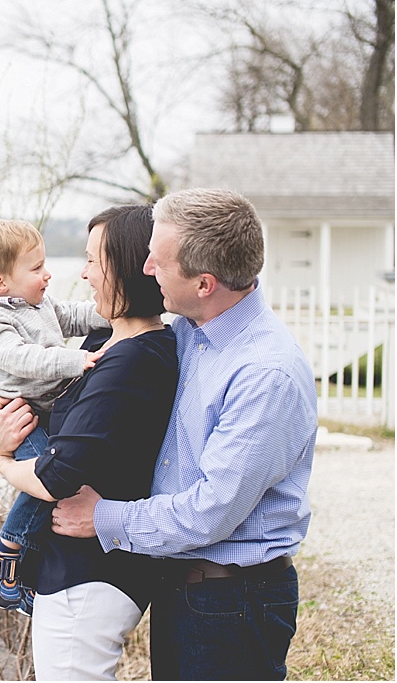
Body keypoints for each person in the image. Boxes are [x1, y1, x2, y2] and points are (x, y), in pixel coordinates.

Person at [46, 188, 319, 683]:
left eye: (158, 260)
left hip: (232, 599)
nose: (146, 267)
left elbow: (210, 510)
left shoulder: (264, 373)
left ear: (205, 282)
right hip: (187, 587)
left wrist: (101, 517)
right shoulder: (191, 329)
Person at [0, 204, 179, 681]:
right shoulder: (108, 340)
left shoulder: (132, 359)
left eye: (93, 261)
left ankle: (4, 552)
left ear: (128, 268)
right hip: (74, 572)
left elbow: (56, 477)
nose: (83, 274)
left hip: (87, 581)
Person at [0, 216, 110, 615]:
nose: (47, 274)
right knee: (47, 478)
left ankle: (21, 566)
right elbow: (23, 359)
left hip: (44, 410)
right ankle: (3, 553)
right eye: (36, 268)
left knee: (54, 478)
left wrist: (115, 311)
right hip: (19, 414)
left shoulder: (36, 304)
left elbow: (74, 316)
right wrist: (77, 361)